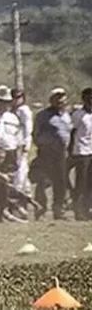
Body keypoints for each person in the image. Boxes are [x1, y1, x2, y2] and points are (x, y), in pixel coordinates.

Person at [32, 88, 71, 220]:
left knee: (60, 183)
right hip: (46, 153)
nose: (60, 100)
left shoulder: (67, 115)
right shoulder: (42, 115)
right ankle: (41, 210)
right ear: (51, 100)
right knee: (43, 182)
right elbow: (36, 134)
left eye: (62, 97)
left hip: (62, 154)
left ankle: (59, 210)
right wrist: (45, 144)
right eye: (57, 97)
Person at [69, 87, 92, 221]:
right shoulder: (78, 115)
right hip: (81, 151)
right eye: (88, 97)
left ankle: (87, 208)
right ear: (84, 99)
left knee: (90, 183)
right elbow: (72, 132)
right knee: (81, 182)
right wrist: (71, 150)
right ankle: (78, 210)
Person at [12, 87, 34, 193]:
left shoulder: (24, 110)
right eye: (14, 97)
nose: (16, 99)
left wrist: (27, 143)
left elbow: (28, 128)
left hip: (21, 142)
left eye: (18, 97)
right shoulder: (13, 110)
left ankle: (20, 188)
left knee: (20, 166)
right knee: (20, 167)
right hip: (13, 142)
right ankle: (26, 189)